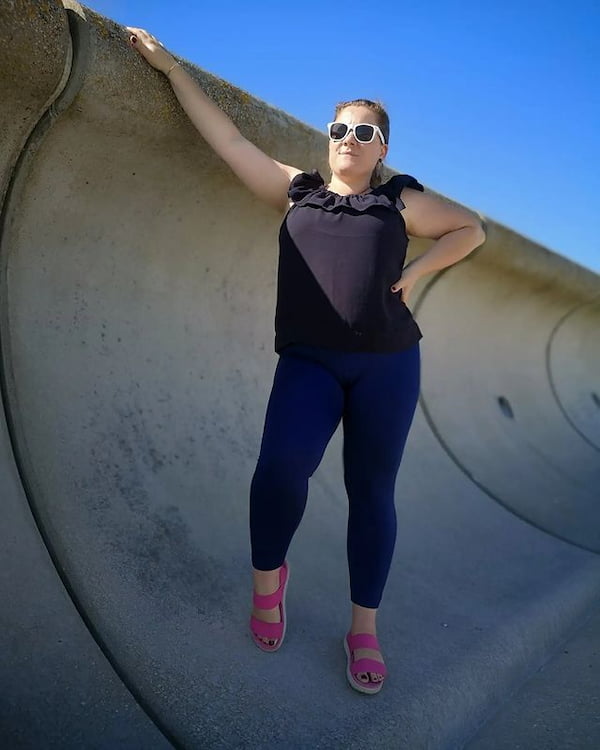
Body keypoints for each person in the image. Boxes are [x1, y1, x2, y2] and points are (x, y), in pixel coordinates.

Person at [126, 27, 486, 695]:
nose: (349, 137)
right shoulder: (298, 193)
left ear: (384, 148)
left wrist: (418, 270)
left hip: (388, 364)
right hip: (310, 364)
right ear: (328, 138)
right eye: (339, 128)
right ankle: (269, 586)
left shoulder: (399, 200)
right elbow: (229, 141)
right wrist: (171, 67)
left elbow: (472, 229)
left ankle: (364, 629)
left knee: (372, 495)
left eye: (365, 132)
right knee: (277, 474)